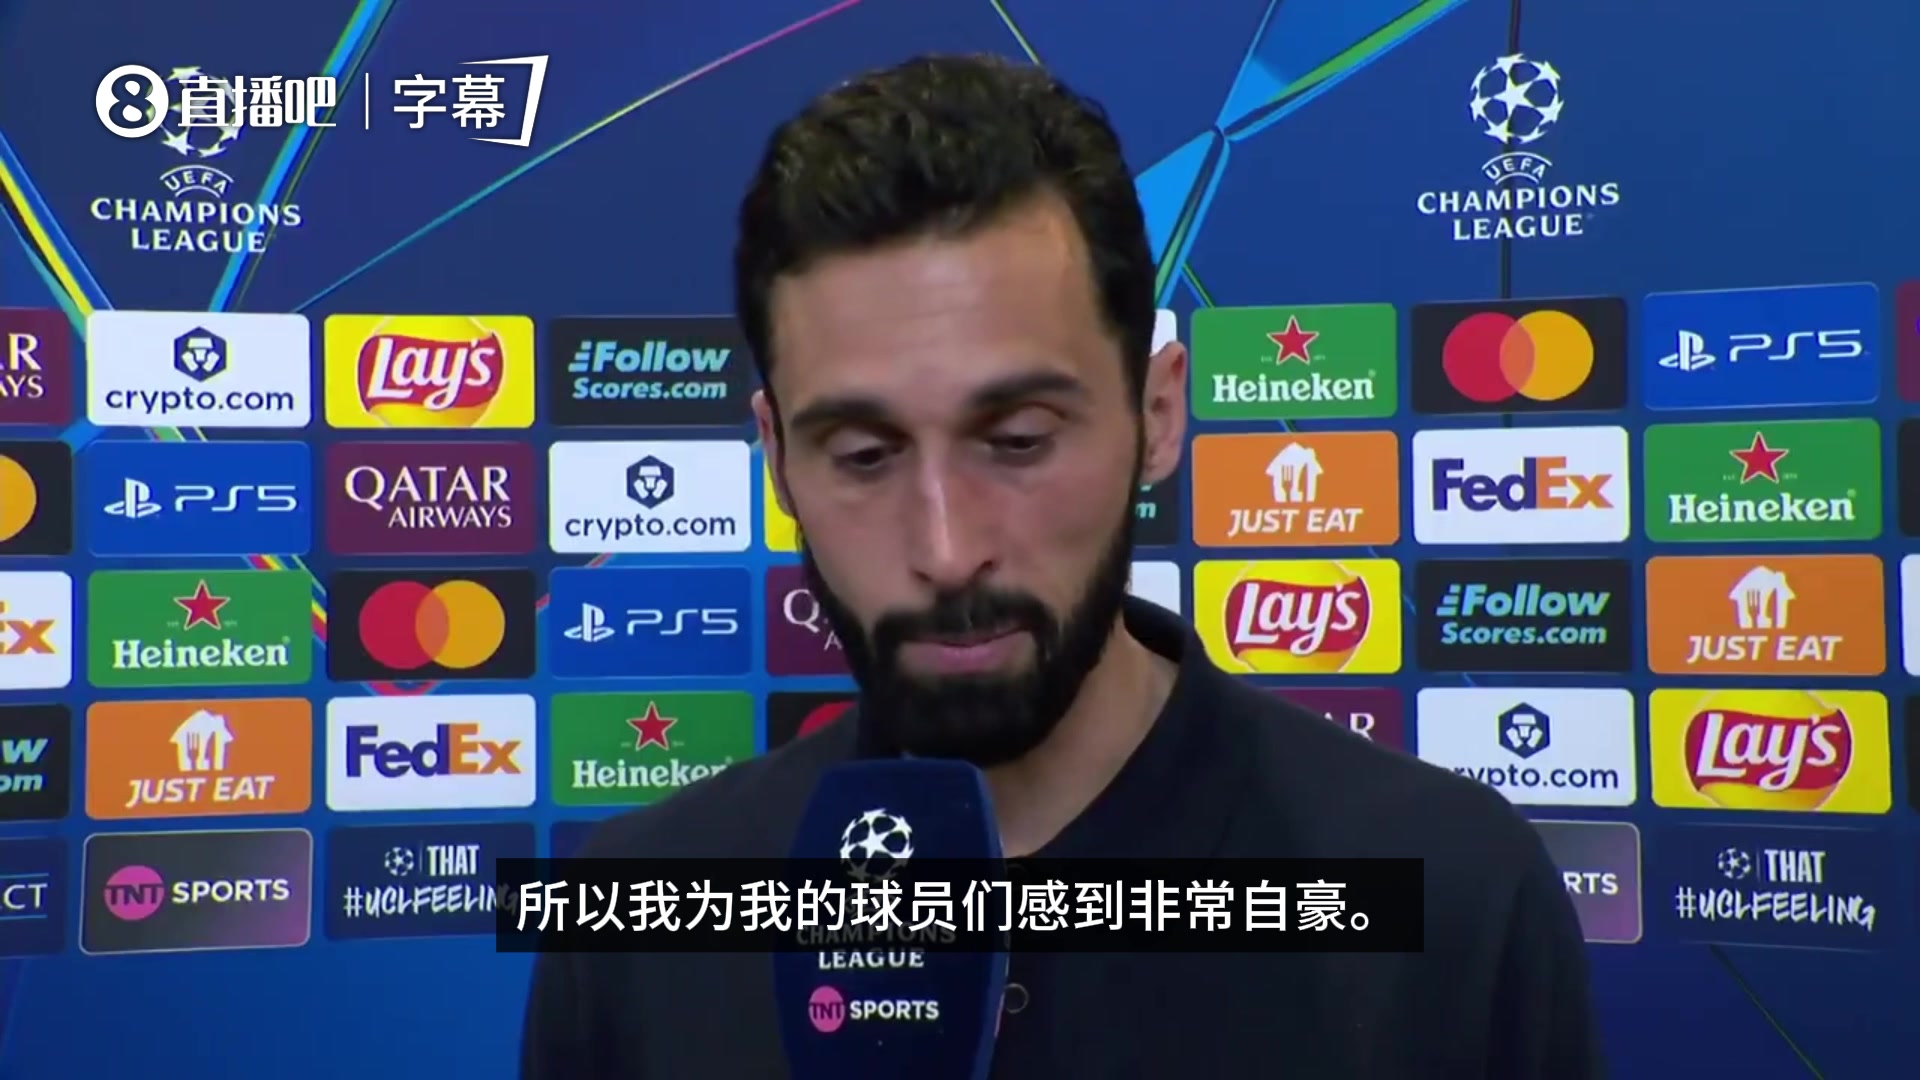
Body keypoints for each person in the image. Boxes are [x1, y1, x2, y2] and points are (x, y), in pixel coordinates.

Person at [521, 52, 1604, 1079]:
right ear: (779, 462)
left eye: (1018, 440)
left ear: (1156, 414)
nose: (947, 551)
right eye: (863, 457)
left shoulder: (1451, 899)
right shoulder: (635, 931)